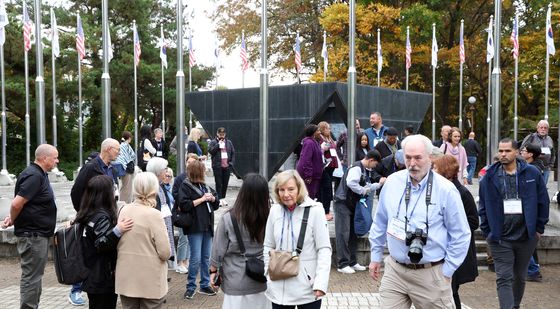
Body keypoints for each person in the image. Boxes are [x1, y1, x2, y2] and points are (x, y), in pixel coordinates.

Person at [369, 134, 471, 308]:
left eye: (418, 158)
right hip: (395, 271)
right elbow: (380, 222)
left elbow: (461, 234)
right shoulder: (393, 182)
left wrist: (446, 271)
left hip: (430, 273)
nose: (412, 163)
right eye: (408, 157)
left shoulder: (446, 190)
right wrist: (375, 256)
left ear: (430, 158)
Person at [479, 138, 549, 309]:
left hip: (526, 236)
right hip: (500, 238)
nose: (503, 154)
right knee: (503, 277)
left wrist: (538, 228)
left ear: (517, 152)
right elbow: (482, 206)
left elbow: (543, 201)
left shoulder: (532, 173)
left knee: (519, 276)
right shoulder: (489, 176)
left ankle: (514, 305)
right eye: (500, 151)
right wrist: (488, 231)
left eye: (507, 151)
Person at [1, 144, 58, 309]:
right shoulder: (34, 175)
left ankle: (32, 306)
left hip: (36, 234)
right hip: (33, 236)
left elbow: (24, 204)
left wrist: (12, 218)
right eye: (54, 157)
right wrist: (12, 217)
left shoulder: (39, 174)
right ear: (44, 158)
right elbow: (17, 203)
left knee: (35, 276)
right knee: (31, 278)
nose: (57, 161)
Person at [264, 170, 332, 309]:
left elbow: (324, 249)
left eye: (290, 189)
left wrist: (320, 283)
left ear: (299, 188)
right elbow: (268, 245)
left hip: (306, 287)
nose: (286, 194)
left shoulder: (315, 210)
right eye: (281, 190)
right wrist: (267, 272)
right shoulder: (275, 211)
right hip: (278, 287)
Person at [69, 138, 121, 306]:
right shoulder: (91, 167)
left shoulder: (110, 168)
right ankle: (76, 290)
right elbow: (76, 192)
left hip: (107, 216)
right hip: (96, 218)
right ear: (108, 149)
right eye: (117, 149)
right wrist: (85, 213)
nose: (119, 153)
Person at [209, 174, 271, 308]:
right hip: (263, 281)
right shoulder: (270, 217)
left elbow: (217, 251)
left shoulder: (229, 218)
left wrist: (213, 272)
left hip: (235, 282)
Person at [74, 175, 134, 309]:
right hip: (102, 277)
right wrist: (117, 230)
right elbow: (101, 243)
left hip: (91, 273)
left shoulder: (86, 213)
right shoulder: (102, 217)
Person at [115, 172, 171, 308]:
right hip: (150, 280)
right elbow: (165, 252)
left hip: (127, 277)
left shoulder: (123, 210)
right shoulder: (155, 215)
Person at [432, 155, 479, 309]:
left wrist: (452, 225)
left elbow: (473, 221)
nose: (433, 170)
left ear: (445, 171)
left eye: (436, 168)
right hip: (442, 249)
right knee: (446, 292)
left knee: (450, 292)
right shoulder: (440, 190)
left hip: (457, 250)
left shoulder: (462, 193)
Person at [335, 150, 385, 274]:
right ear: (371, 160)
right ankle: (343, 264)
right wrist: (363, 191)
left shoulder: (363, 169)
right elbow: (351, 183)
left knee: (353, 234)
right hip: (343, 203)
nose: (374, 168)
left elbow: (367, 186)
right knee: (343, 234)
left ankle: (352, 261)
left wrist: (378, 185)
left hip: (351, 204)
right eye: (375, 164)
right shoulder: (357, 168)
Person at [178, 160, 220, 300]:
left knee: (206, 257)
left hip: (207, 225)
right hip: (195, 226)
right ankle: (190, 287)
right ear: (198, 171)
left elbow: (216, 203)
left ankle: (205, 284)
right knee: (195, 258)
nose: (205, 172)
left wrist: (213, 198)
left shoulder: (205, 186)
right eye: (203, 170)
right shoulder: (186, 186)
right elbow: (184, 205)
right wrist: (202, 199)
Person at [172, 153, 200, 274]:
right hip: (183, 212)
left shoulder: (198, 177)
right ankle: (180, 262)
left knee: (190, 238)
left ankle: (187, 260)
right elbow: (175, 193)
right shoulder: (180, 178)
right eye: (188, 162)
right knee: (183, 238)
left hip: (194, 212)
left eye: (193, 162)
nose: (190, 165)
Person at [146, 157, 176, 264]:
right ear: (158, 171)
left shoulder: (161, 186)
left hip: (164, 225)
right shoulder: (151, 187)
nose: (166, 171)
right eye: (165, 169)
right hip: (156, 229)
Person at [521, 120, 555, 185]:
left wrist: (551, 165)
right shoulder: (531, 137)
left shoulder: (549, 139)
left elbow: (553, 153)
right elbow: (522, 150)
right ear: (537, 128)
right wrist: (536, 154)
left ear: (548, 129)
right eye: (541, 127)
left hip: (546, 168)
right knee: (532, 187)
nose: (543, 129)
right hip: (533, 167)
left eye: (545, 128)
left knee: (543, 188)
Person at [208, 127, 235, 206]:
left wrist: (231, 163)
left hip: (227, 166)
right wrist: (218, 145)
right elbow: (211, 151)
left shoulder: (229, 142)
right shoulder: (213, 142)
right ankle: (219, 199)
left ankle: (223, 198)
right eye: (220, 134)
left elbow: (233, 153)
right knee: (218, 183)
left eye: (223, 134)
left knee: (225, 183)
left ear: (225, 134)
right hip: (217, 166)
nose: (222, 136)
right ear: (217, 134)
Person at [296, 124, 323, 199]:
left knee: (311, 196)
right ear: (313, 133)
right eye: (318, 130)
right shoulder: (309, 143)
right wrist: (308, 175)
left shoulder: (314, 142)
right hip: (309, 176)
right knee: (307, 196)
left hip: (314, 175)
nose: (320, 132)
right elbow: (306, 160)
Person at [318, 121, 338, 221]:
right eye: (327, 128)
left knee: (327, 188)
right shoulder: (319, 138)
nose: (329, 130)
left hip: (331, 166)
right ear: (322, 129)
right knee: (326, 188)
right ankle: (325, 211)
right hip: (324, 166)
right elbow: (320, 150)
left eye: (329, 128)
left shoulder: (329, 138)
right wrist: (323, 148)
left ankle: (326, 210)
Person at [114, 131, 136, 203]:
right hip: (127, 168)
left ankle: (122, 201)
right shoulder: (126, 146)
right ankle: (125, 202)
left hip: (122, 167)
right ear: (129, 138)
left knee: (124, 185)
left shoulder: (121, 145)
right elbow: (132, 156)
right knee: (127, 186)